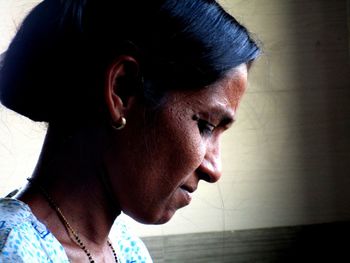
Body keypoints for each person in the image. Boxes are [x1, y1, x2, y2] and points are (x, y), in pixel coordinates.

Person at [0, 0, 260, 262]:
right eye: (205, 125)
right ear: (122, 90)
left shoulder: (124, 248)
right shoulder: (14, 251)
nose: (214, 170)